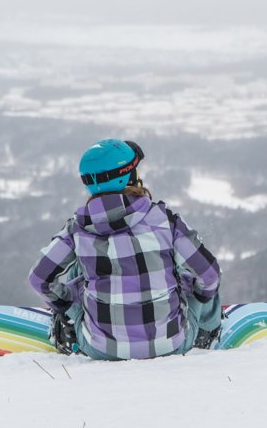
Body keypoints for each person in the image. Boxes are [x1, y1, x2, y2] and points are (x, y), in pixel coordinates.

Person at [28, 139, 222, 359]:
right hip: (172, 345)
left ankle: (69, 328)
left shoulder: (77, 230)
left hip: (101, 349)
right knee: (197, 269)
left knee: (77, 273)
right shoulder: (164, 220)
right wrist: (196, 294)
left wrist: (66, 301)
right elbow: (210, 275)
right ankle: (209, 332)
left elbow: (39, 279)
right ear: (128, 176)